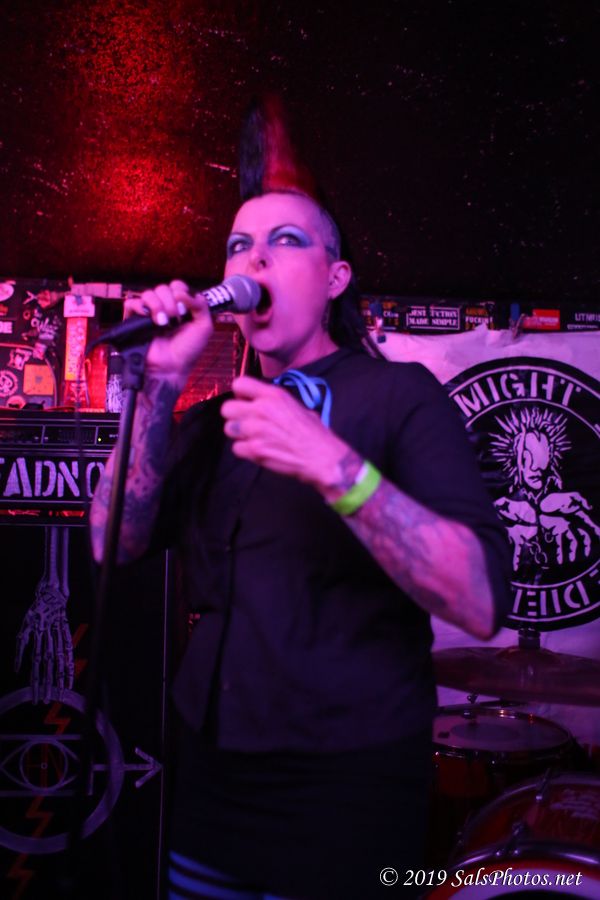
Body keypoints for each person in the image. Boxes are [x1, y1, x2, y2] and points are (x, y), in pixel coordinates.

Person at [90, 188, 511, 899]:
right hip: (213, 780)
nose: (253, 259)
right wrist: (160, 382)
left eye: (284, 240)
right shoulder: (210, 422)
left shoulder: (401, 395)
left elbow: (479, 599)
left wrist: (334, 466)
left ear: (335, 278)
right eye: (238, 246)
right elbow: (112, 544)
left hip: (349, 787)